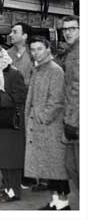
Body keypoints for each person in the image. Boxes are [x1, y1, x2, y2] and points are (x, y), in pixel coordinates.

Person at [25, 37, 69, 210]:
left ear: (48, 49)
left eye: (39, 49)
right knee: (48, 168)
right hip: (39, 126)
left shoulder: (55, 70)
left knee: (56, 168)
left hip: (50, 128)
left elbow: (57, 101)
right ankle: (55, 202)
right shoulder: (38, 69)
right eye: (33, 49)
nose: (36, 52)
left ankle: (63, 204)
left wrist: (43, 117)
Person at [0, 45, 27, 203]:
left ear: (4, 57)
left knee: (11, 159)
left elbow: (20, 97)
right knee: (2, 158)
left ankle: (15, 191)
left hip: (9, 123)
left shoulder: (14, 74)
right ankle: (8, 188)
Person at [60, 15, 79, 209]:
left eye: (72, 28)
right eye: (65, 29)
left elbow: (78, 89)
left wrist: (72, 122)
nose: (67, 32)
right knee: (72, 167)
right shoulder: (71, 51)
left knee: (76, 167)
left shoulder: (78, 53)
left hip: (77, 122)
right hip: (72, 118)